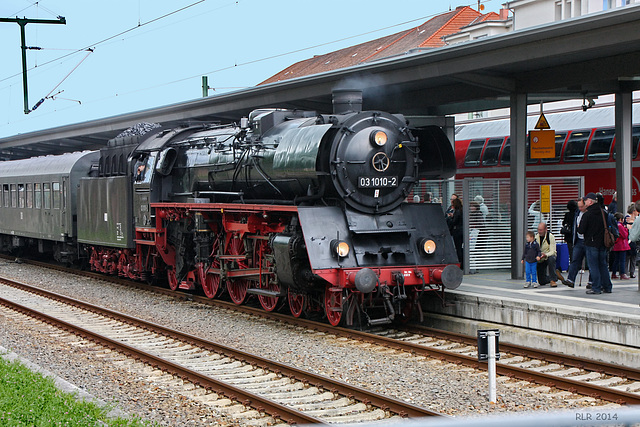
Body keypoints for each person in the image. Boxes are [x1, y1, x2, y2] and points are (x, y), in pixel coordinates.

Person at [577, 192, 613, 294]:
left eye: (585, 200)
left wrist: (579, 226)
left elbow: (581, 230)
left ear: (590, 201)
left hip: (591, 243)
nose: (584, 202)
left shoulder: (587, 214)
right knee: (603, 265)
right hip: (602, 243)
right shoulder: (603, 213)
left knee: (594, 266)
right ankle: (607, 286)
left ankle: (596, 287)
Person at [556, 198, 586, 288]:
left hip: (578, 239)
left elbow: (565, 223)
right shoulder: (577, 214)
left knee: (575, 257)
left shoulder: (571, 214)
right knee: (575, 259)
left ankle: (589, 281)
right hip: (577, 239)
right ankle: (571, 279)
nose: (580, 208)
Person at [535, 222, 558, 287]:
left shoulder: (550, 237)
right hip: (540, 259)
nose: (539, 231)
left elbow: (553, 251)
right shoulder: (536, 237)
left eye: (541, 230)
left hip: (548, 257)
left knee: (552, 259)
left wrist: (546, 255)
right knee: (542, 282)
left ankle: (553, 280)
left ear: (546, 229)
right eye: (538, 229)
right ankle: (555, 276)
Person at [611, 212, 630, 280]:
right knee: (622, 260)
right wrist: (626, 229)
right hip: (621, 245)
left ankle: (614, 273)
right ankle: (622, 273)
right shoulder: (620, 226)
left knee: (616, 260)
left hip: (616, 245)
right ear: (621, 219)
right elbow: (624, 235)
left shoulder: (615, 225)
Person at [447, 198, 463, 268]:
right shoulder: (461, 211)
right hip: (460, 231)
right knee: (460, 248)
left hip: (457, 232)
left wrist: (450, 218)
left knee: (458, 248)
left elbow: (454, 222)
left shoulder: (457, 212)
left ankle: (460, 263)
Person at [625, 203, 638, 278]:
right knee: (631, 257)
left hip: (630, 239)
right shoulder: (629, 218)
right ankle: (630, 272)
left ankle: (627, 272)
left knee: (630, 257)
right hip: (630, 239)